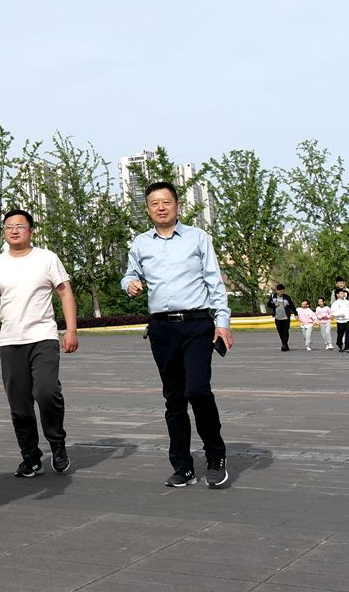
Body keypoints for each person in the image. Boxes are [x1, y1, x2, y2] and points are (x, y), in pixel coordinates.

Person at [121, 181, 233, 489]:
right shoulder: (141, 243)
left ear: (177, 205)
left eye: (166, 202)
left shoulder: (198, 238)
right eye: (154, 203)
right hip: (162, 328)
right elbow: (130, 274)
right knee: (174, 397)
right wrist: (129, 284)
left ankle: (216, 456)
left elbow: (214, 281)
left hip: (197, 324)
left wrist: (223, 322)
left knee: (198, 390)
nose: (161, 207)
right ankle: (182, 466)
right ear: (147, 209)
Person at [0, 208, 77, 478]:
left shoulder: (47, 258)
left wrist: (71, 330)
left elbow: (65, 294)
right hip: (10, 341)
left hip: (43, 337)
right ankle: (30, 457)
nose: (14, 230)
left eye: (20, 226)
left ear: (31, 231)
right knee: (19, 405)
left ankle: (57, 443)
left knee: (47, 392)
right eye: (9, 226)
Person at [266, 284, 295, 351]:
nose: (281, 292)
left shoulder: (287, 297)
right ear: (277, 291)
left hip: (286, 317)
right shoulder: (273, 296)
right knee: (280, 332)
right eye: (280, 291)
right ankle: (285, 344)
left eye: (282, 290)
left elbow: (292, 305)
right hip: (277, 317)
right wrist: (274, 305)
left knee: (285, 331)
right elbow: (269, 304)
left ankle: (284, 345)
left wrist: (295, 313)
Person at [330, 288, 349, 353]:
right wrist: (339, 314)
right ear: (337, 295)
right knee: (340, 334)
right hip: (340, 320)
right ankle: (340, 345)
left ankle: (348, 347)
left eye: (343, 293)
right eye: (341, 293)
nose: (343, 294)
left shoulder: (348, 302)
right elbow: (333, 312)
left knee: (348, 334)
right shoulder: (335, 303)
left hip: (348, 320)